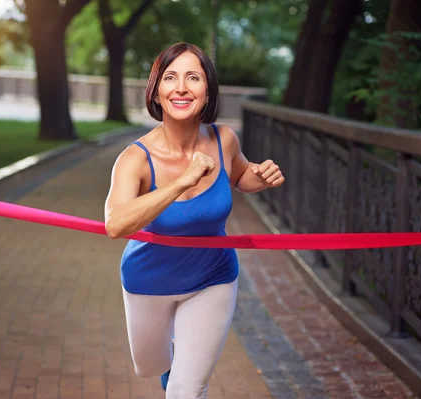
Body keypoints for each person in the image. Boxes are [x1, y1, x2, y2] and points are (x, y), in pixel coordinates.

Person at [104, 42, 284, 398]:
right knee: (150, 366)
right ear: (156, 92)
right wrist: (182, 181)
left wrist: (259, 177)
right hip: (148, 280)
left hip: (212, 276)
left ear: (208, 90)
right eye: (170, 78)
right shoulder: (134, 158)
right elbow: (115, 223)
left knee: (187, 389)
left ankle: (184, 372)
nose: (182, 87)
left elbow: (241, 176)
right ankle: (170, 361)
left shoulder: (224, 139)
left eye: (193, 77)